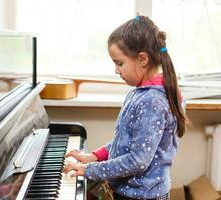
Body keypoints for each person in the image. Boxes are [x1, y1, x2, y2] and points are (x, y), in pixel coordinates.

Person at [63, 15, 186, 200]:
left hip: (143, 196)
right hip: (132, 193)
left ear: (142, 59)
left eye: (119, 63)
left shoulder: (152, 101)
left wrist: (89, 170)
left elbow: (137, 161)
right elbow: (128, 142)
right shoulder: (140, 93)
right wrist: (95, 156)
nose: (115, 70)